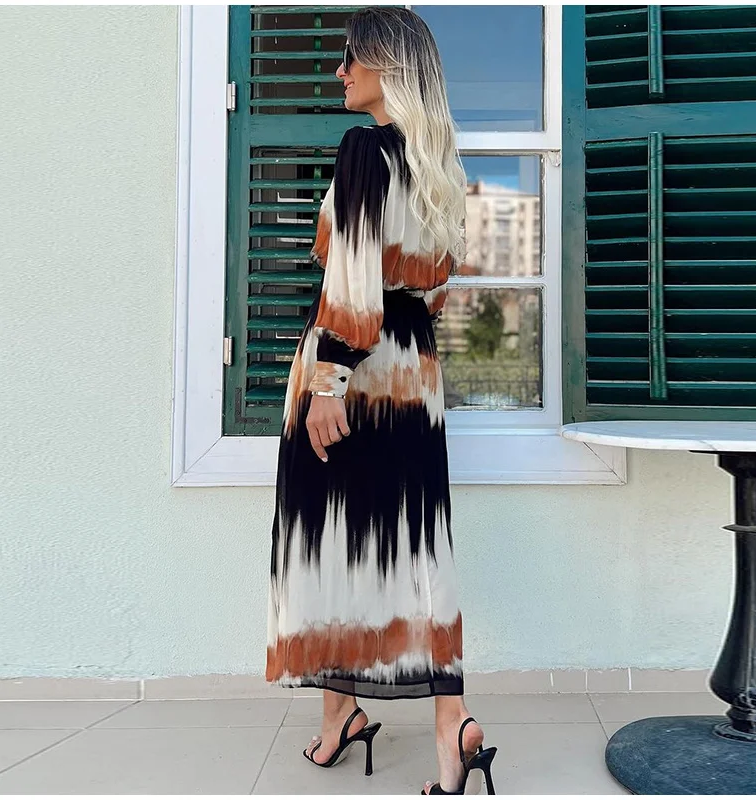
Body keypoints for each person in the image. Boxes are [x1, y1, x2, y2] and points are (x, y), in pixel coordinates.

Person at [266, 7, 497, 795]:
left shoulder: (364, 149)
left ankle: (355, 717)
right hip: (413, 372)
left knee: (337, 538)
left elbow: (354, 271)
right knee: (413, 542)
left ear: (385, 66)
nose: (339, 73)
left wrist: (328, 381)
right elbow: (434, 291)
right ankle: (435, 724)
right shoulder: (437, 166)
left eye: (350, 58)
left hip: (354, 373)